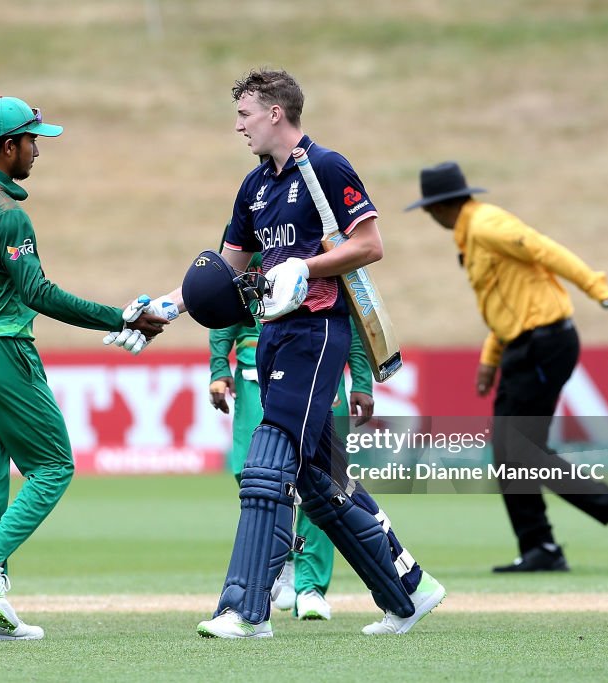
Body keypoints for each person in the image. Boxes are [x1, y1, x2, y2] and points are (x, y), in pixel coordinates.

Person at [114, 69, 446, 638]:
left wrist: (305, 267)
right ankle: (409, 591)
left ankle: (244, 611)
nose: (238, 125)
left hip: (317, 333)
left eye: (245, 114)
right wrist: (163, 311)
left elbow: (370, 245)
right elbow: (225, 273)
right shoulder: (254, 186)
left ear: (275, 113)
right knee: (319, 478)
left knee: (268, 465)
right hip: (271, 338)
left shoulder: (328, 167)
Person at [0, 96, 166, 641]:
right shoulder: (7, 213)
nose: (37, 151)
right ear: (8, 147)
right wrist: (121, 316)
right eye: (33, 141)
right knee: (54, 466)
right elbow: (37, 291)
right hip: (3, 349)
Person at [404, 161, 608, 572]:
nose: (431, 218)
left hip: (544, 343)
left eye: (430, 210)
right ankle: (543, 546)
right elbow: (507, 304)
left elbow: (544, 249)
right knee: (512, 452)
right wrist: (491, 358)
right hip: (525, 345)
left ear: (443, 206)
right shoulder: (472, 236)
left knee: (518, 450)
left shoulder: (486, 225)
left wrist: (604, 294)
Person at [208, 248, 375, 621]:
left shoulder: (331, 242)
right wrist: (219, 367)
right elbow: (222, 304)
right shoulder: (252, 225)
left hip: (319, 364)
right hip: (256, 369)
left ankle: (311, 586)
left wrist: (362, 380)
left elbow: (356, 309)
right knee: (254, 473)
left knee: (324, 478)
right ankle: (278, 561)